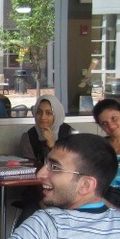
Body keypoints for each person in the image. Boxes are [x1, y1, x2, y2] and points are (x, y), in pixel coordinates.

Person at [16, 94, 75, 225]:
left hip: (65, 190)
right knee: (28, 219)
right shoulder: (28, 137)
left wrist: (51, 145)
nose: (43, 117)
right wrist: (42, 199)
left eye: (49, 113)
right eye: (39, 112)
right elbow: (33, 171)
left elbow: (70, 167)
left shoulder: (69, 134)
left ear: (57, 114)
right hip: (38, 190)